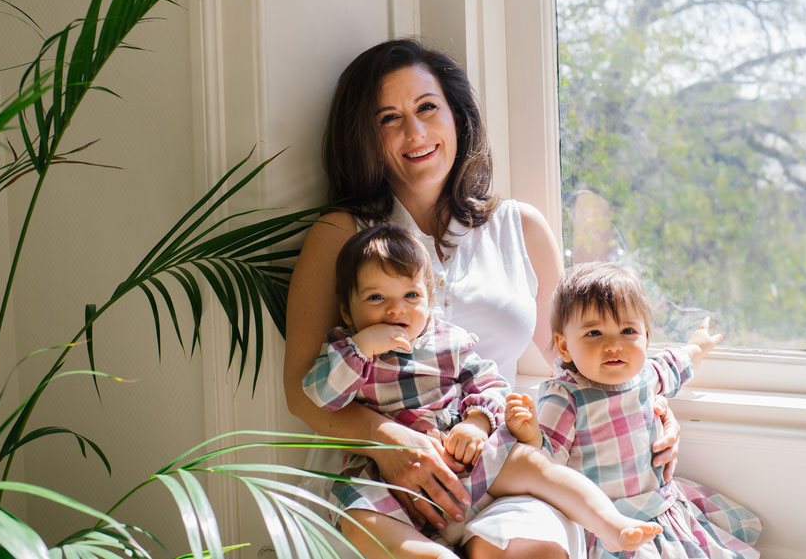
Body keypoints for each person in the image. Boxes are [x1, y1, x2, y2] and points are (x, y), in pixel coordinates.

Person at [283, 38, 682, 559]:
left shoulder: (522, 228)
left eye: (428, 108)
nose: (416, 133)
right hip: (386, 482)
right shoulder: (341, 234)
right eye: (389, 118)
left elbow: (576, 353)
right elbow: (301, 391)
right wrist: (391, 443)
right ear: (364, 136)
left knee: (535, 548)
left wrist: (650, 403)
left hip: (498, 460)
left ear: (456, 116)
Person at [303, 225, 662, 559]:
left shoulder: (448, 341)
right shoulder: (345, 351)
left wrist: (476, 423)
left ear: (430, 300)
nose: (397, 309)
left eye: (411, 295)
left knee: (534, 464)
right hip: (389, 480)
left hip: (467, 457)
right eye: (376, 297)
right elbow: (320, 397)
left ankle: (609, 523)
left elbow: (491, 384)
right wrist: (362, 347)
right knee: (355, 516)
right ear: (346, 309)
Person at [505, 263, 762, 559]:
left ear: (647, 338)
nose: (614, 344)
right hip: (607, 523)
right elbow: (547, 464)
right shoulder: (565, 395)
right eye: (594, 333)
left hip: (658, 507)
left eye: (628, 331)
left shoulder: (646, 376)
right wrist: (530, 434)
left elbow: (675, 365)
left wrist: (697, 347)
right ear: (564, 347)